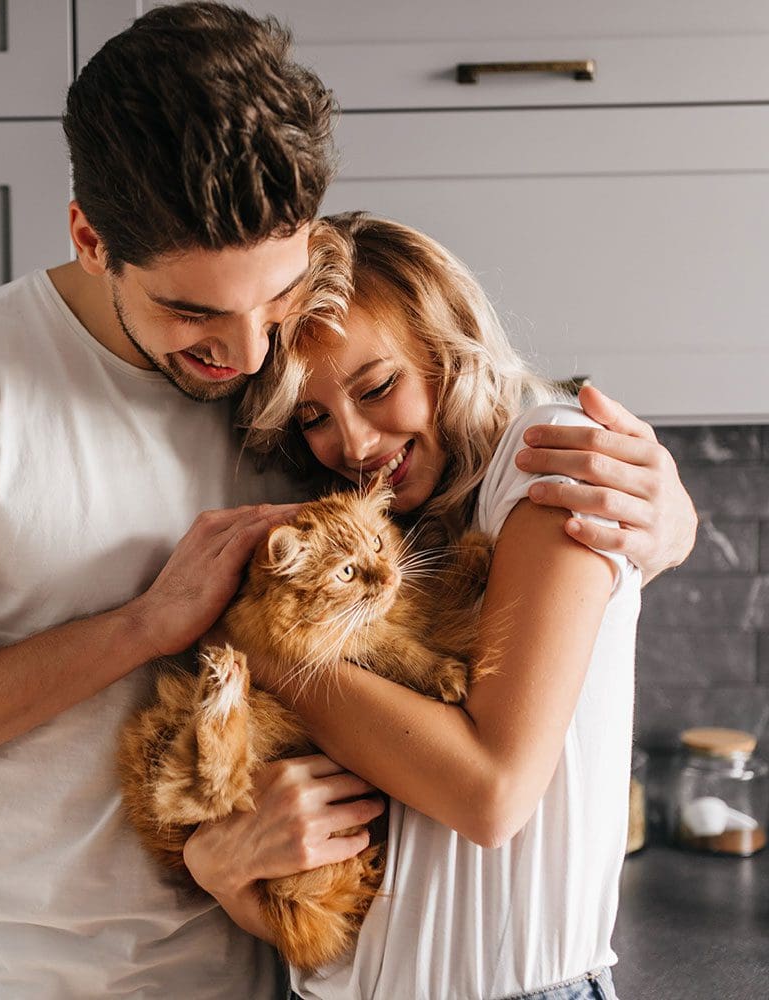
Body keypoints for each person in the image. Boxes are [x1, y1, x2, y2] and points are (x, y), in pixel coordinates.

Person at [0, 5, 695, 998]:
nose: (249, 354)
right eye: (193, 313)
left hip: (273, 970)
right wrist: (145, 625)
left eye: (275, 298)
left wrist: (663, 527)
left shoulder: (317, 379)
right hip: (9, 975)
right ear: (90, 238)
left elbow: (474, 507)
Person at [182, 212, 666, 999]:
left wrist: (261, 648)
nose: (356, 443)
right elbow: (338, 924)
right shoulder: (375, 534)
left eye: (379, 387)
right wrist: (226, 872)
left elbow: (490, 794)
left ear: (449, 348)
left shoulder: (545, 455)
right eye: (312, 418)